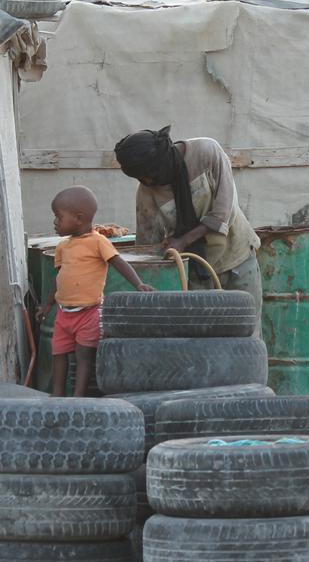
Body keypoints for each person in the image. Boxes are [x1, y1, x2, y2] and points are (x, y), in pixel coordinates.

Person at [114, 127, 262, 318]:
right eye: (141, 178)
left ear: (162, 161)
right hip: (194, 273)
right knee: (202, 337)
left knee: (246, 329)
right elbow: (147, 246)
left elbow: (223, 212)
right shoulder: (147, 192)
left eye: (149, 174)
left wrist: (183, 241)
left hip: (237, 257)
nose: (147, 180)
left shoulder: (207, 152)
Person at [37, 186, 153, 397]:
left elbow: (118, 262)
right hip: (64, 314)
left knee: (83, 356)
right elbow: (60, 277)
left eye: (58, 217)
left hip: (88, 313)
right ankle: (57, 394)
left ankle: (79, 396)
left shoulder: (98, 242)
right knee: (59, 353)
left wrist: (138, 284)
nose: (55, 222)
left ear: (79, 218)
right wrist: (47, 304)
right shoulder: (64, 247)